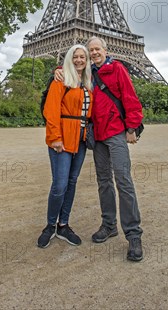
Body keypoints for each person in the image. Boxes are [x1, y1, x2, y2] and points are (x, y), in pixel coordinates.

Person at [55, 36, 144, 261]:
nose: (94, 53)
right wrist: (56, 70)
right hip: (98, 135)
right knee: (103, 181)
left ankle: (133, 234)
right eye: (90, 50)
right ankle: (109, 224)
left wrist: (132, 127)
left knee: (123, 180)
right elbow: (70, 67)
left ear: (106, 50)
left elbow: (130, 98)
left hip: (115, 132)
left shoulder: (118, 69)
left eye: (97, 49)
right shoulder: (87, 74)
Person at [37, 44, 93, 249]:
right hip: (62, 138)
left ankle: (63, 224)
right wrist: (55, 137)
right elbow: (51, 111)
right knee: (59, 185)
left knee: (71, 182)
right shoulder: (61, 80)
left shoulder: (88, 82)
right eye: (75, 56)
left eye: (83, 57)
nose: (79, 60)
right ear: (69, 58)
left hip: (81, 139)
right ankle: (50, 225)